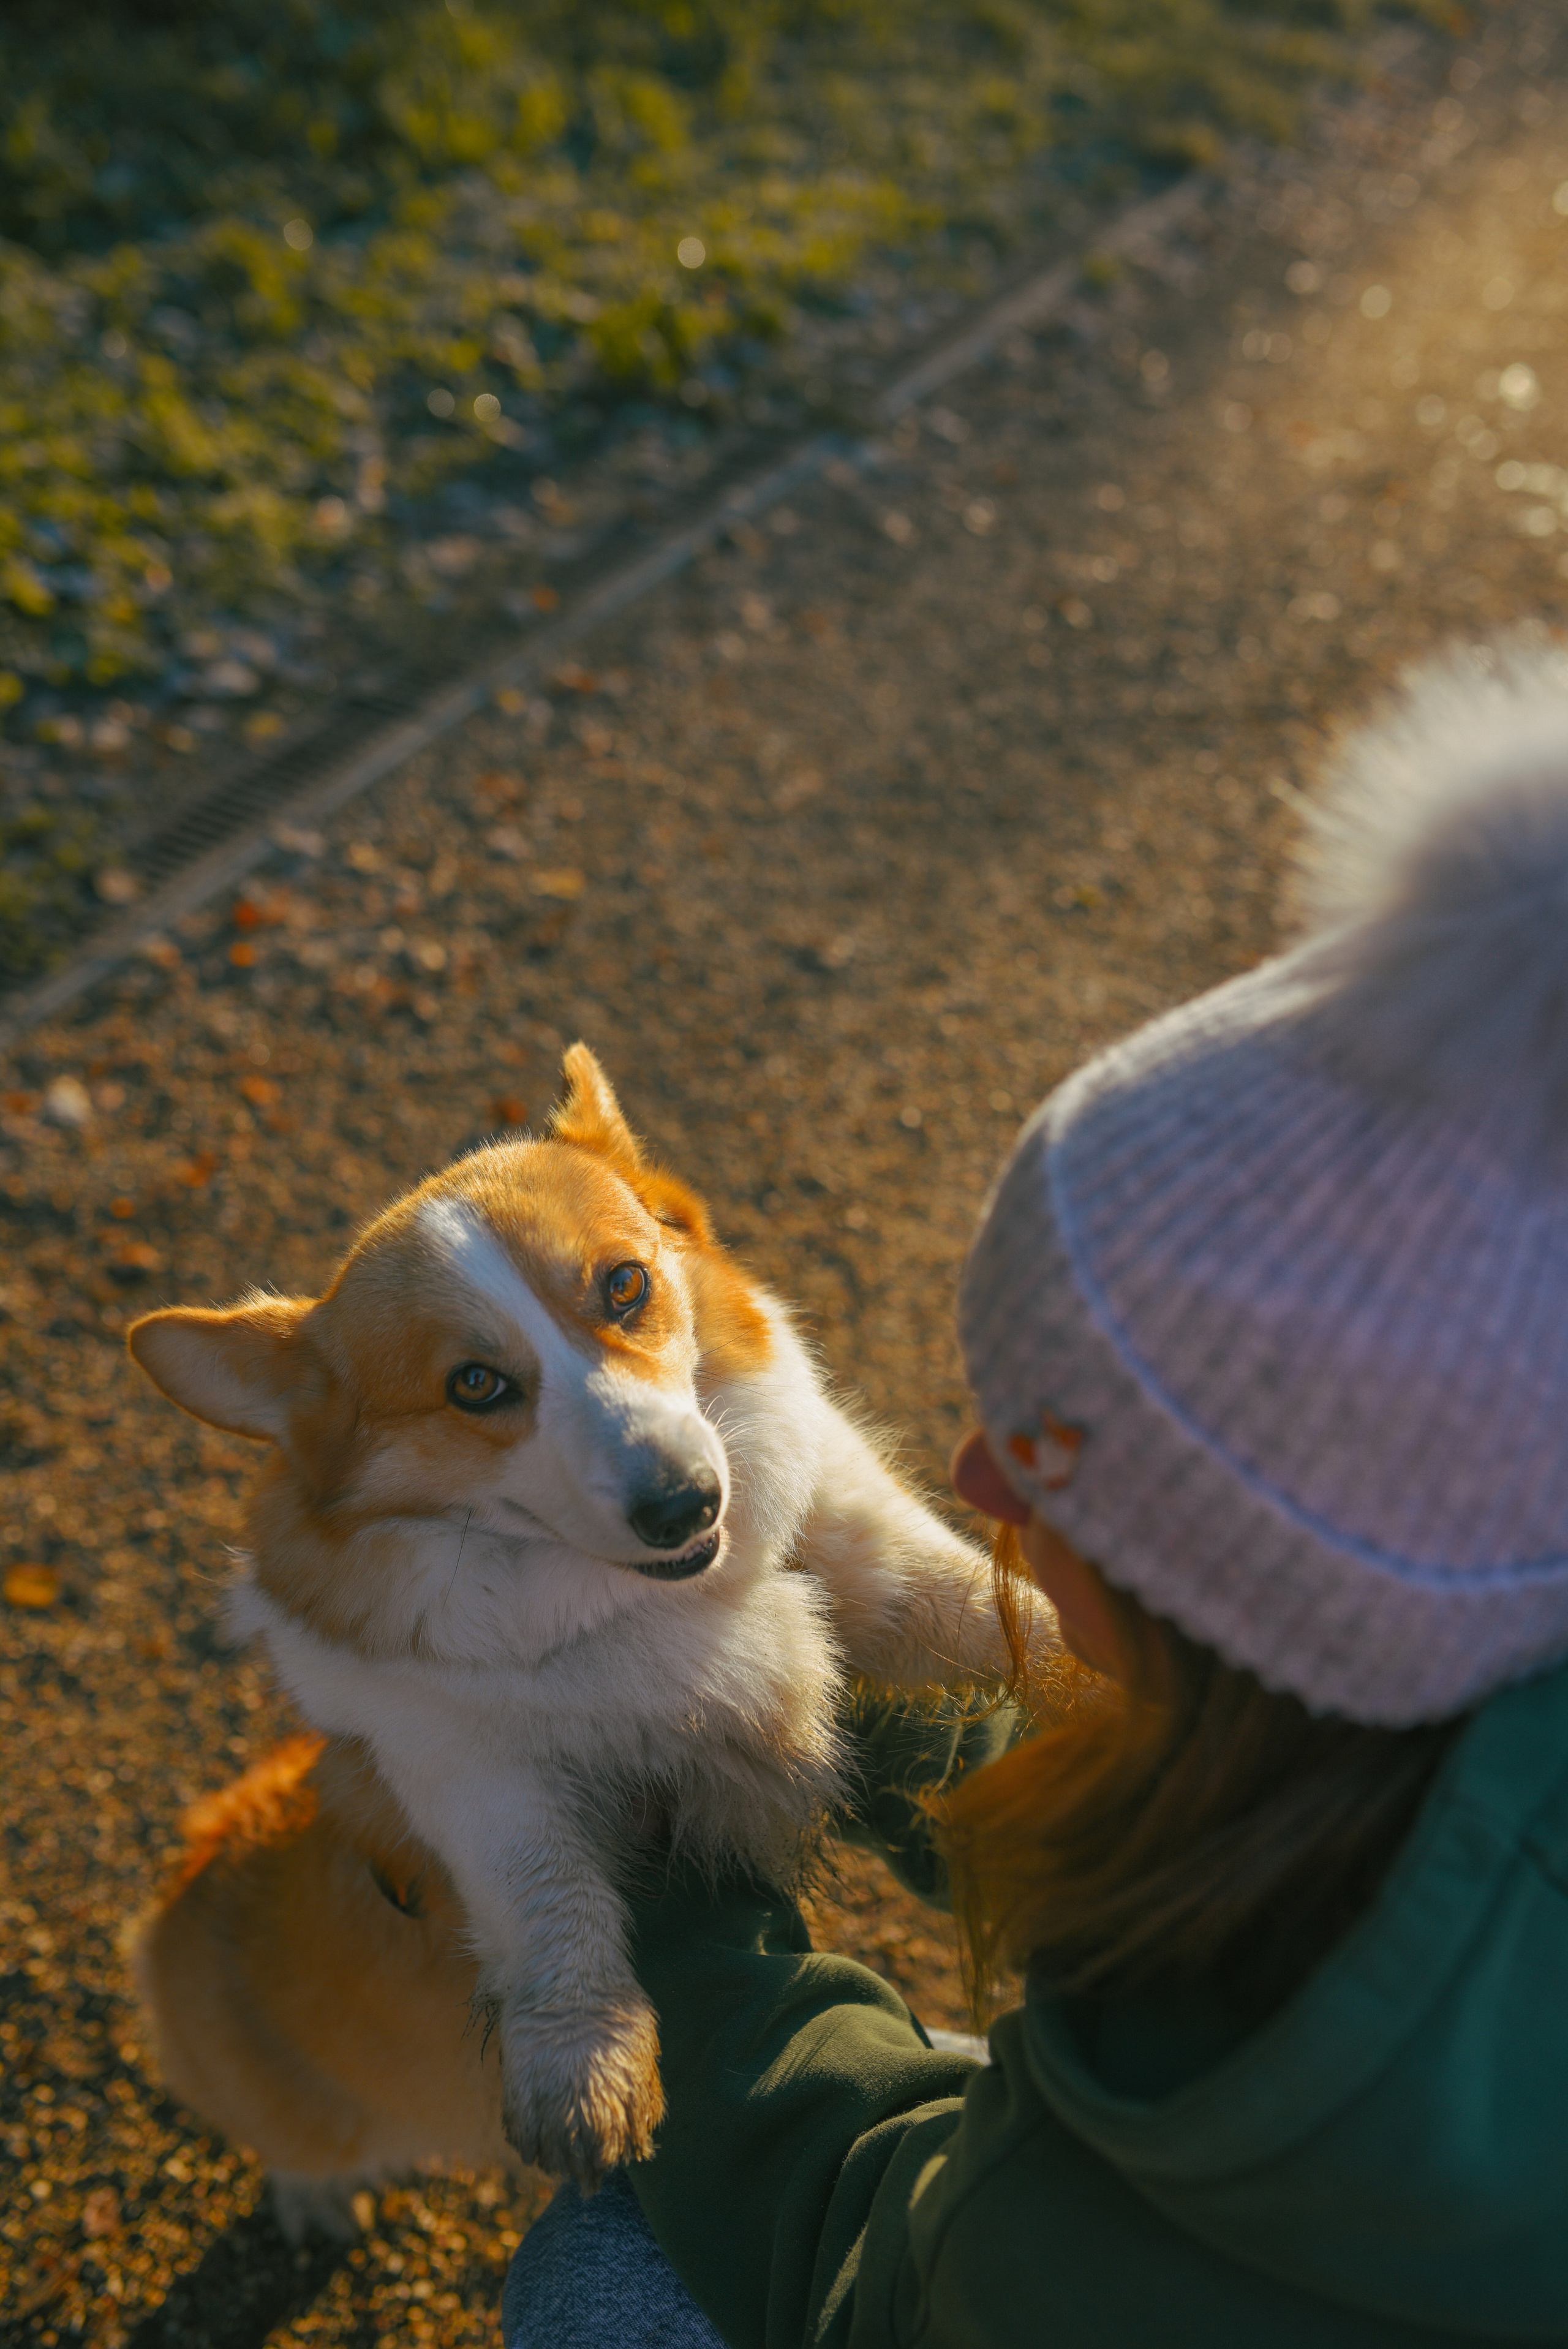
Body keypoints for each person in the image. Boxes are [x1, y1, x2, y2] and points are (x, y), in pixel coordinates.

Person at [503, 641, 1568, 2347]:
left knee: (594, 2276)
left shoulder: (1220, 2093)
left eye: (1076, 1459)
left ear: (1285, 1597)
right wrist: (859, 1710)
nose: (981, 1474)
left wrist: (674, 1929)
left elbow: (885, 2263)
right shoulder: (1465, 1658)